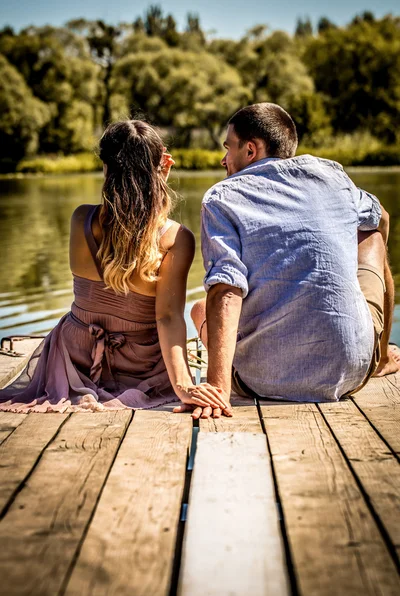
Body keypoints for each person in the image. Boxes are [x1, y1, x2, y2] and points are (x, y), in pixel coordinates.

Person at [0, 120, 227, 414]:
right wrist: (183, 386)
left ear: (106, 167)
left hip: (75, 360)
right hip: (139, 365)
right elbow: (168, 318)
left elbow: (121, 232)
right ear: (161, 167)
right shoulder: (175, 238)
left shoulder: (80, 219)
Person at [189, 102, 399, 419]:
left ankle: (229, 379)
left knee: (201, 309)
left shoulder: (222, 198)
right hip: (352, 373)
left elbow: (226, 289)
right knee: (372, 236)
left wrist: (219, 390)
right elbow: (380, 216)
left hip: (262, 381)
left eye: (227, 148)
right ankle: (383, 357)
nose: (223, 159)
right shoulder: (332, 177)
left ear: (250, 150)